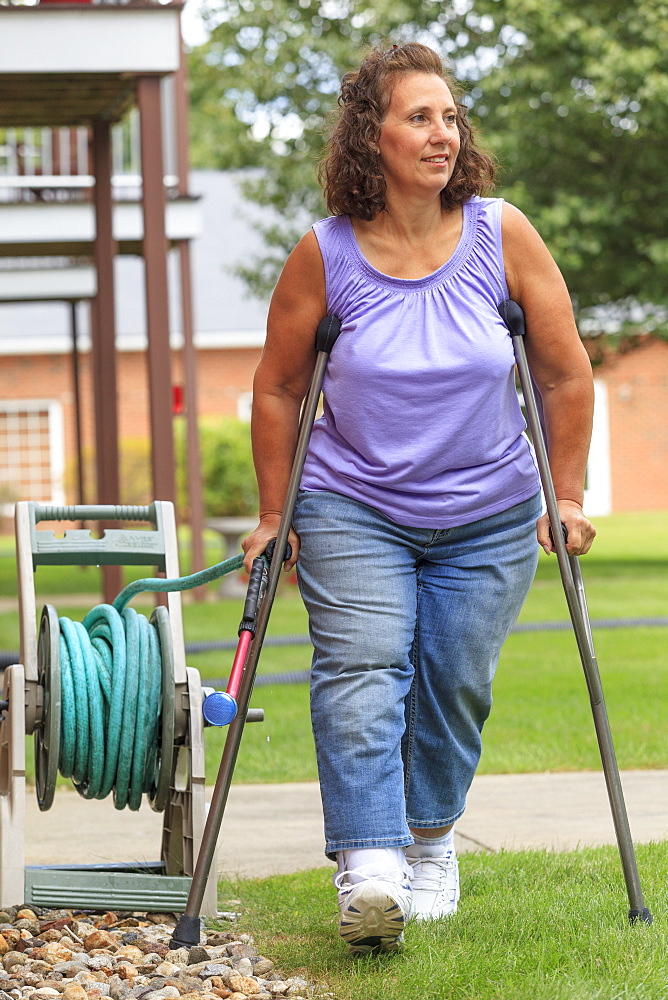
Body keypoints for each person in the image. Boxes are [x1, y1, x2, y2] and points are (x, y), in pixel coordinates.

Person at [242, 42, 596, 954]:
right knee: (362, 668)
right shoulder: (324, 255)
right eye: (418, 117)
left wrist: (567, 492)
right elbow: (280, 388)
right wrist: (277, 513)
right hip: (352, 500)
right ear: (372, 135)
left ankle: (431, 844)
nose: (442, 134)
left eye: (449, 117)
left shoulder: (500, 233)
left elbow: (562, 374)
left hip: (490, 506)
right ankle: (369, 865)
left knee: (452, 682)